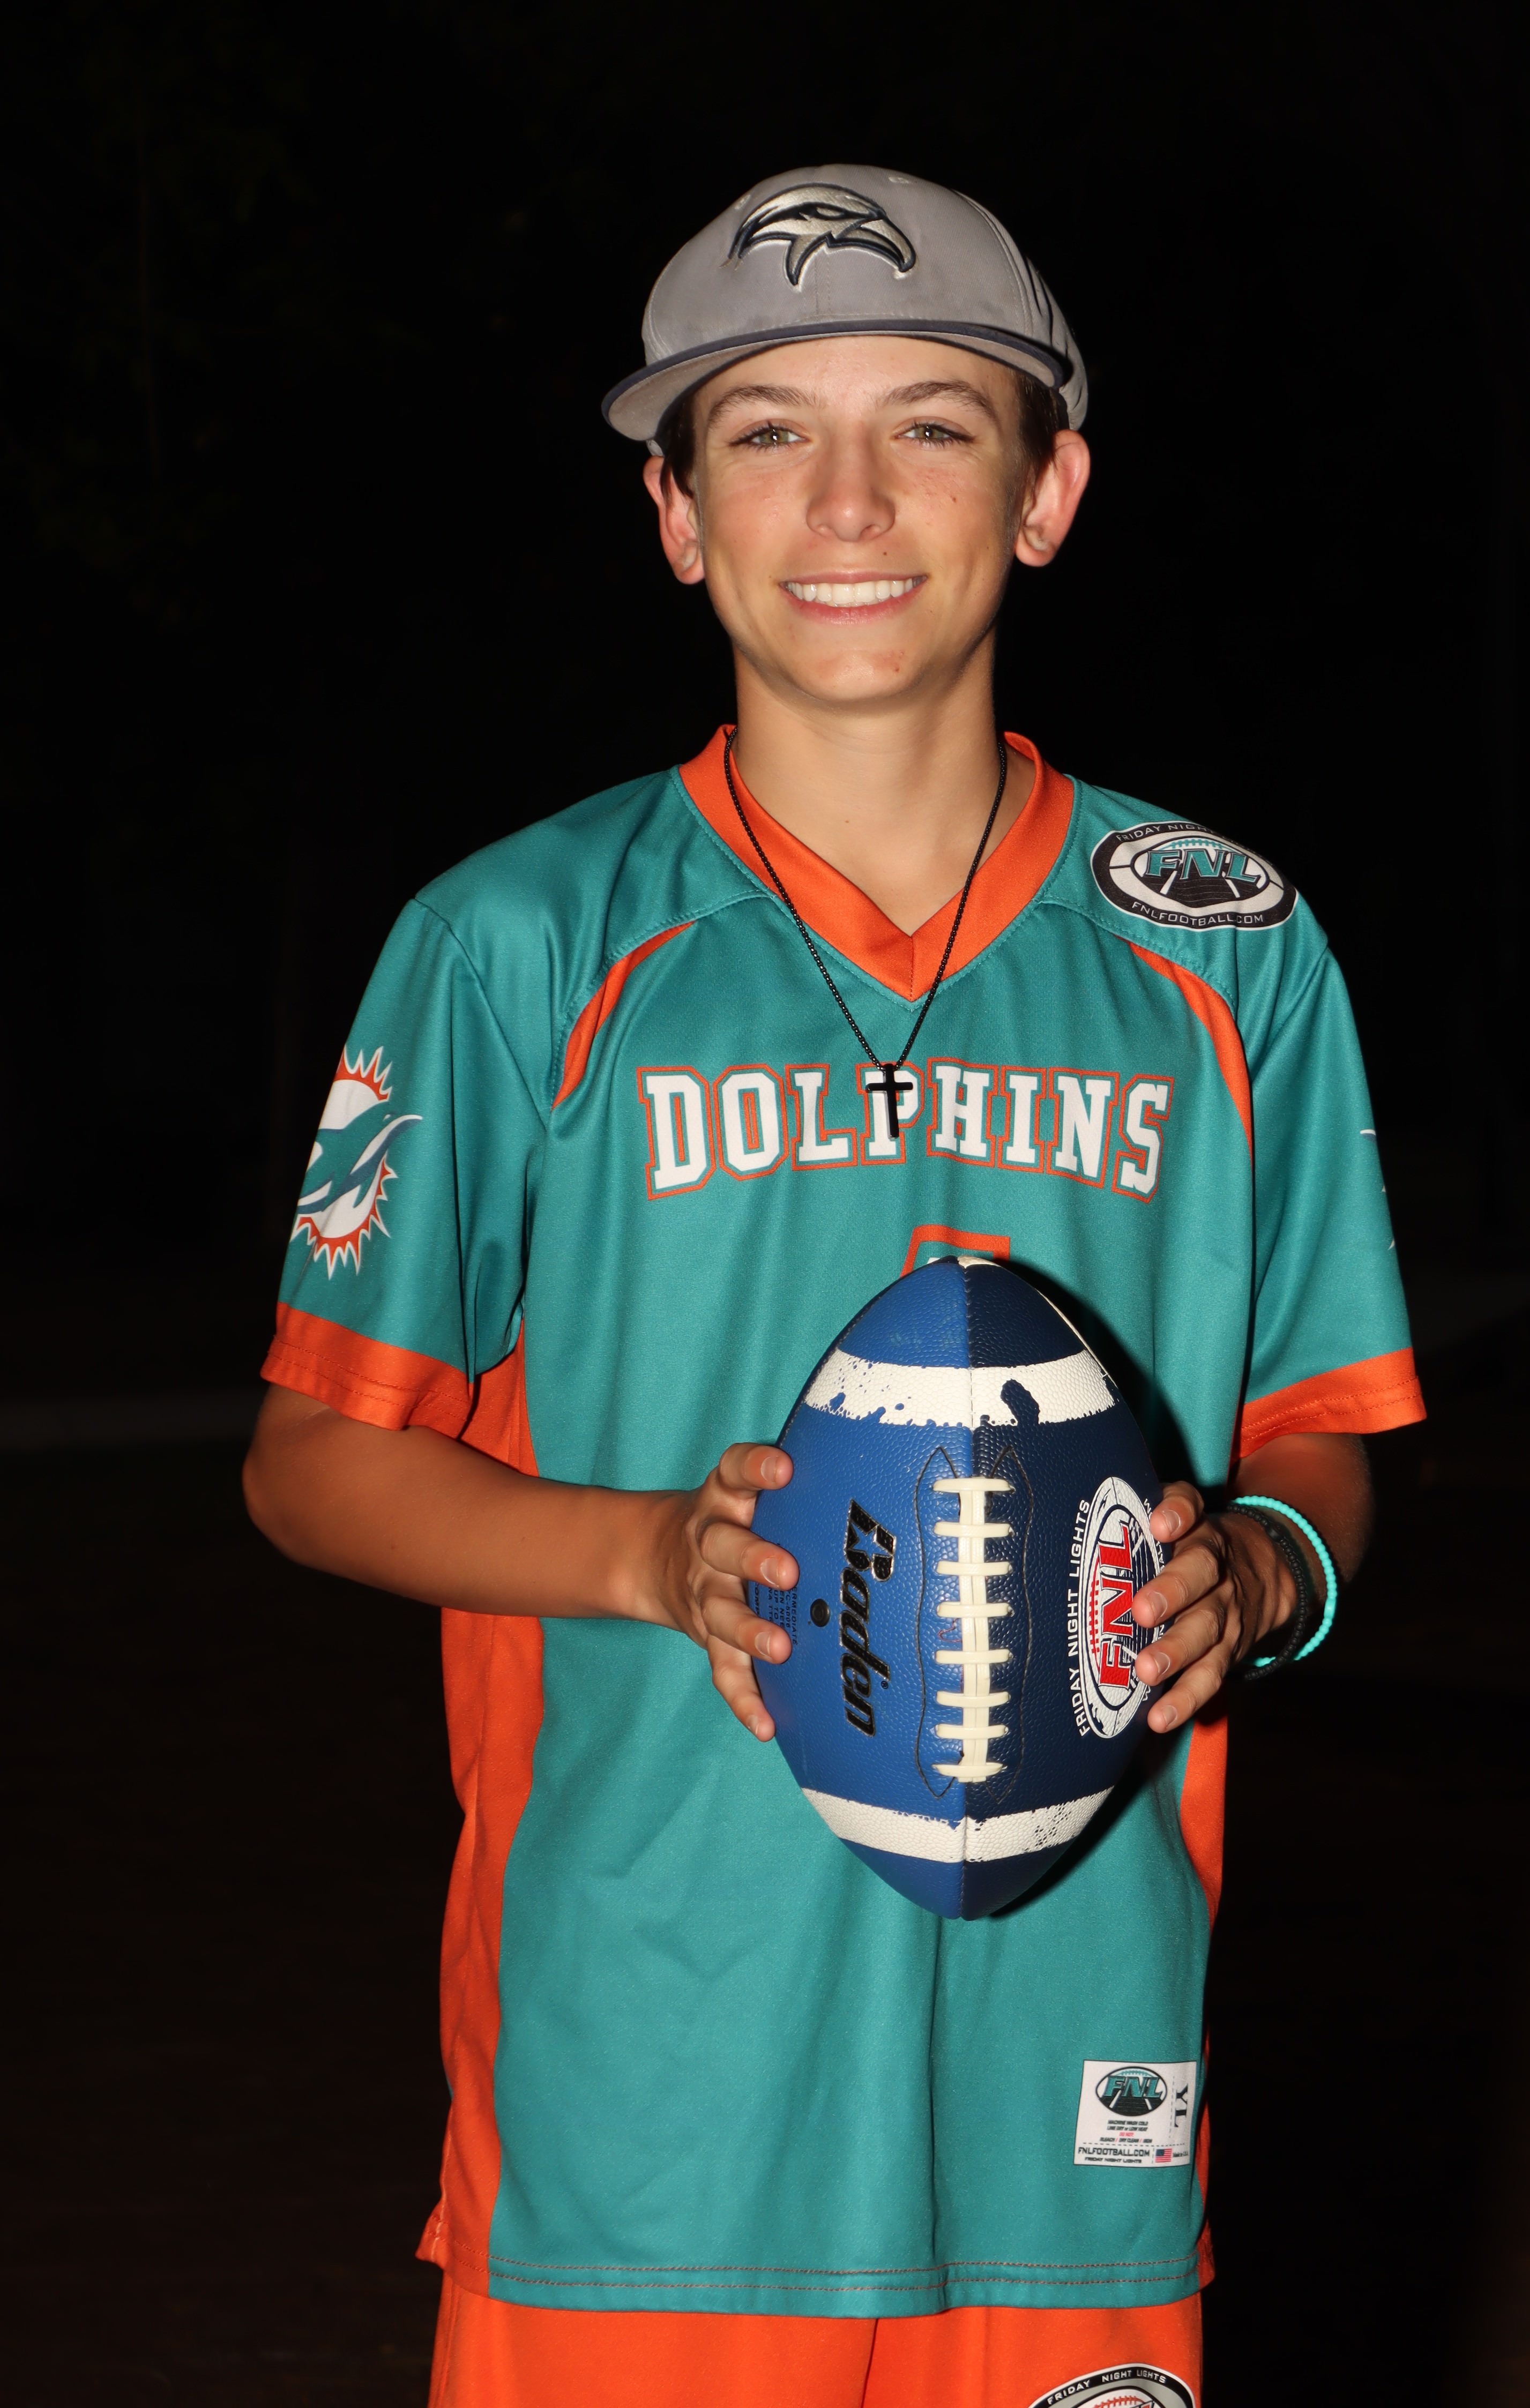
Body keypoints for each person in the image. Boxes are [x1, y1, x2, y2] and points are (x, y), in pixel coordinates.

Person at [243, 163, 1424, 2408]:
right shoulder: (519, 944)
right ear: (676, 512)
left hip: (1072, 2078)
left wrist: (1265, 1568)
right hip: (647, 2093)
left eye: (932, 425)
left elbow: (1321, 1424)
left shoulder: (1224, 948)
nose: (849, 500)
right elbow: (311, 1463)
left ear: (1048, 491)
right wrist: (640, 1554)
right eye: (767, 429)